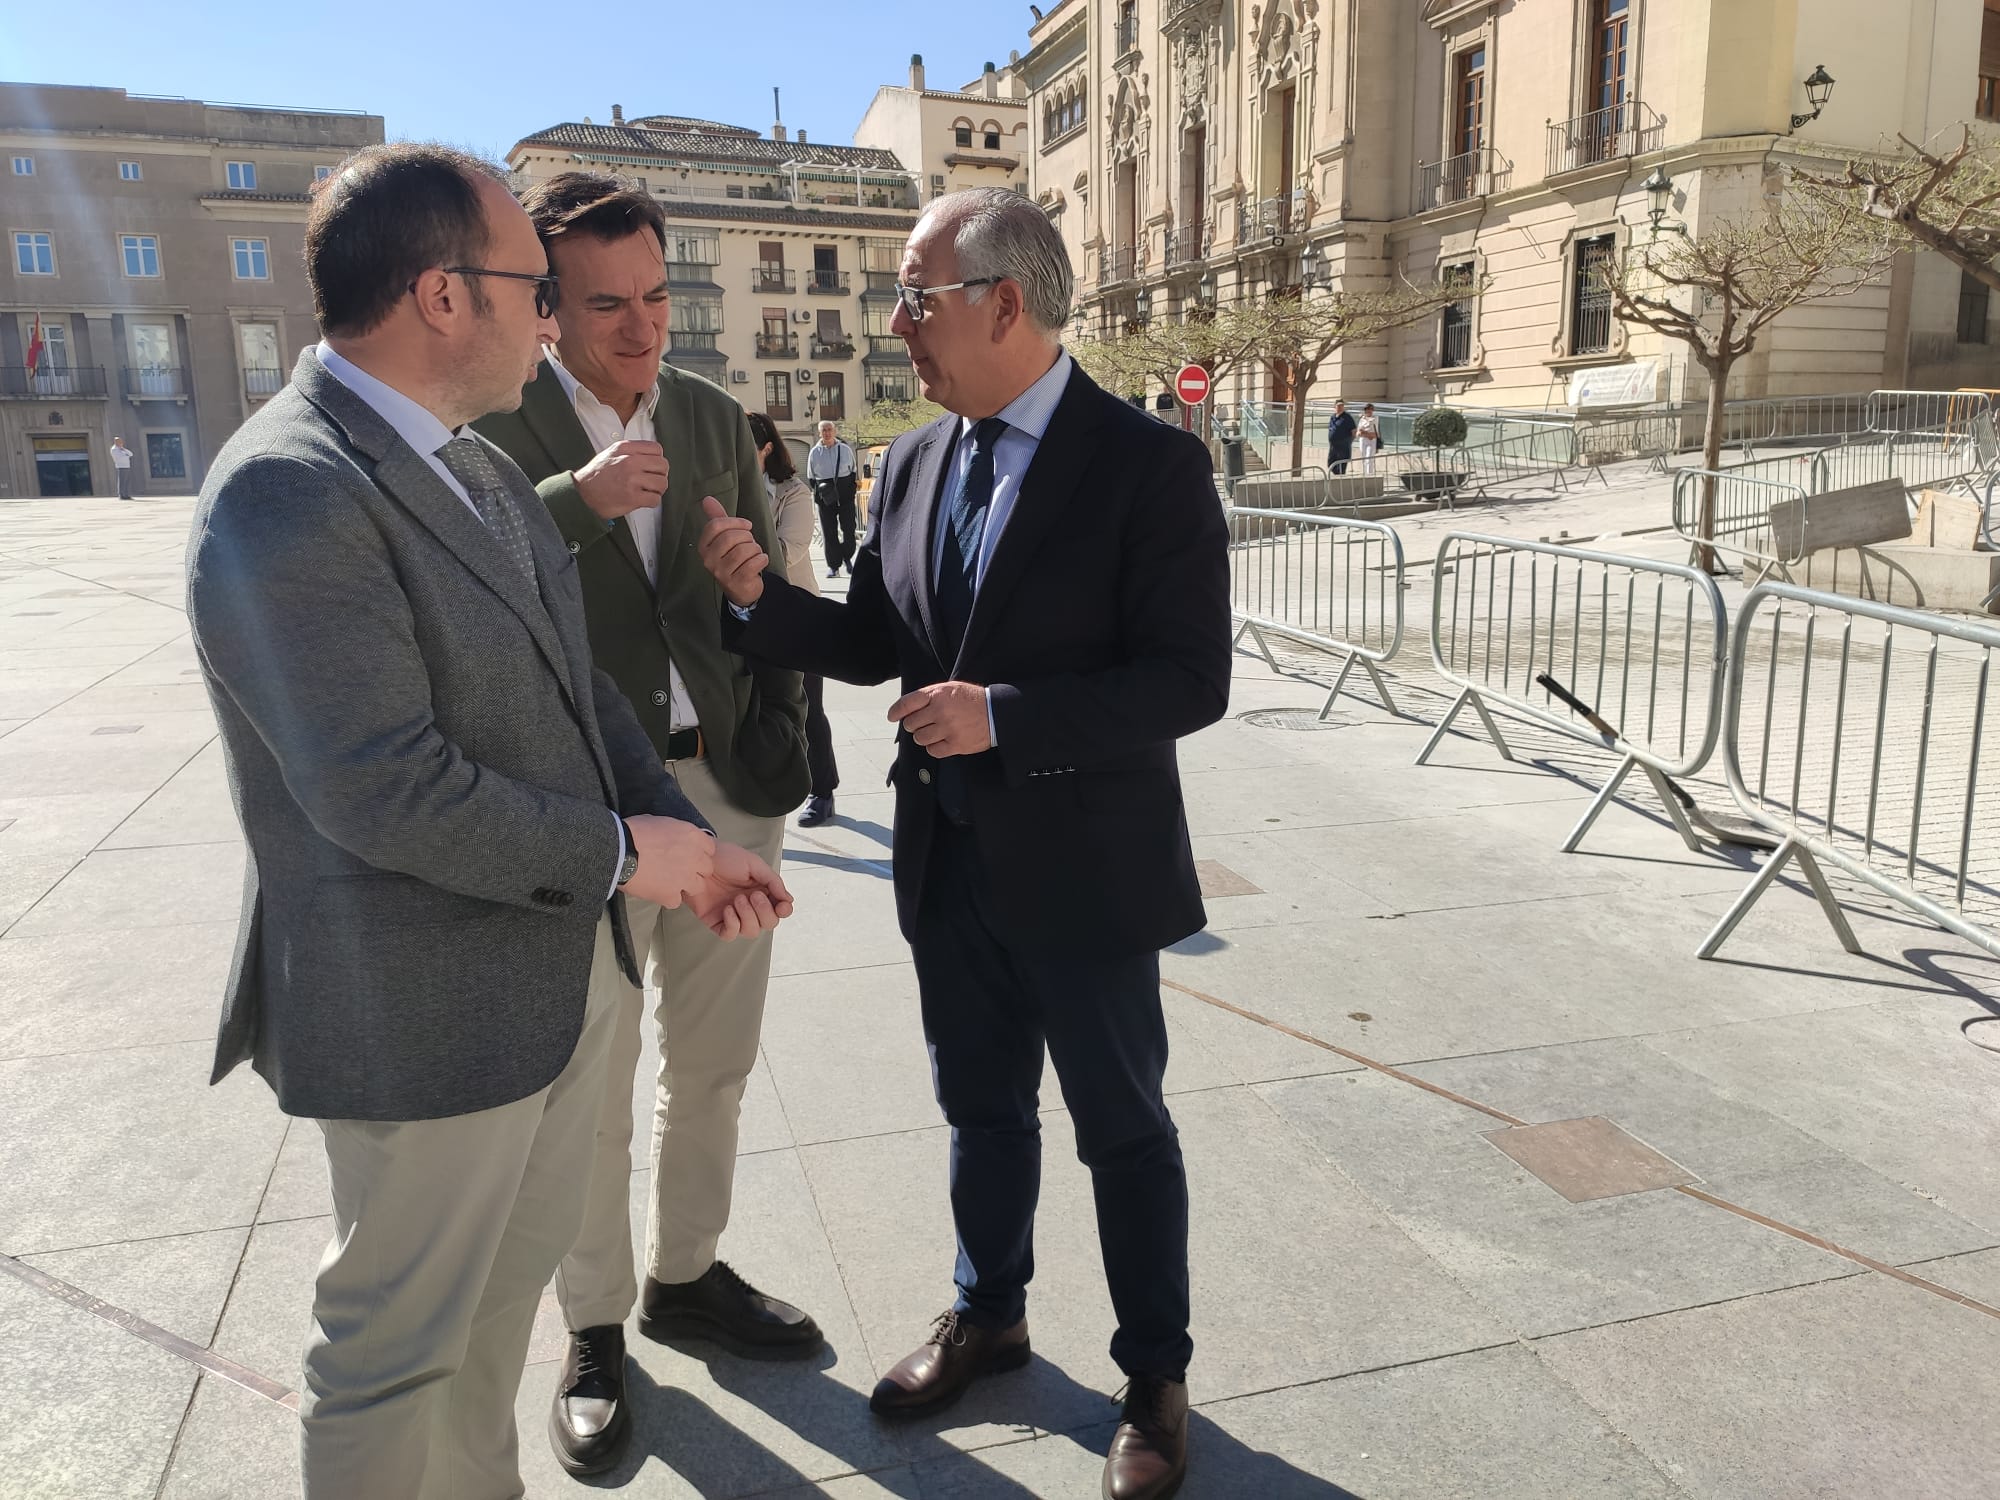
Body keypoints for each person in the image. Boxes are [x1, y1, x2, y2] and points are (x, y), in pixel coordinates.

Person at [183, 143, 792, 1499]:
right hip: (422, 1009)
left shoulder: (477, 473)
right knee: (394, 1357)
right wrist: (635, 851)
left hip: (551, 982)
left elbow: (587, 702)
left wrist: (678, 846)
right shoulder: (289, 487)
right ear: (442, 295)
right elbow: (377, 783)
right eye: (535, 287)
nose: (554, 320)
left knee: (491, 1328)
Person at [698, 186, 1229, 1500]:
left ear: (1003, 302)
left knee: (1122, 1129)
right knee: (979, 1112)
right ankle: (989, 1314)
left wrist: (1007, 718)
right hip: (950, 863)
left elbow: (1189, 681)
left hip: (1090, 875)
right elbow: (883, 638)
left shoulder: (1148, 465)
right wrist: (764, 604)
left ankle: (1153, 1376)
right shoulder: (921, 459)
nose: (897, 324)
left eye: (916, 295)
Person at [470, 171, 818, 1479]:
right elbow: (459, 592)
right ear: (546, 309)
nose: (642, 328)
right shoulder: (496, 431)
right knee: (591, 1085)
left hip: (724, 784)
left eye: (658, 296)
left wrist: (775, 705)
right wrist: (579, 501)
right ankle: (596, 1327)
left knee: (715, 1063)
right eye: (608, 303)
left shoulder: (719, 416)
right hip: (587, 807)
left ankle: (685, 1275)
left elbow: (766, 596)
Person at [748, 409, 841, 827]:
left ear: (766, 448)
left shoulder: (792, 492)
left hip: (794, 615)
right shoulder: (724, 486)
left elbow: (791, 550)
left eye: (743, 445)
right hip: (742, 616)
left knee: (807, 709)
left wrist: (733, 564)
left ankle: (823, 791)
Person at [805, 419, 858, 576]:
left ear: (834, 432)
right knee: (829, 532)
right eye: (824, 430)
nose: (827, 433)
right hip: (825, 495)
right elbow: (811, 477)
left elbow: (853, 471)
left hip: (845, 494)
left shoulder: (845, 450)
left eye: (829, 429)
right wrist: (819, 495)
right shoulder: (814, 453)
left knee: (849, 529)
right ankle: (833, 566)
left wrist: (850, 492)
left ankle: (847, 556)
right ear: (819, 433)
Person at [1326, 399, 1356, 474]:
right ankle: (1336, 477)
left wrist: (1348, 441)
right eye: (1338, 406)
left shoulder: (1347, 417)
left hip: (1343, 447)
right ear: (1335, 407)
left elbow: (1354, 431)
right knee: (1330, 464)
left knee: (1341, 466)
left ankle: (1340, 480)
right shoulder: (1333, 417)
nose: (1340, 407)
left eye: (1342, 406)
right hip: (1333, 446)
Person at [1355, 402, 1381, 475]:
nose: (1368, 411)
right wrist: (1364, 433)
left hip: (1371, 440)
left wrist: (1364, 432)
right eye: (1367, 409)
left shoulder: (1375, 418)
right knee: (1363, 457)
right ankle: (1365, 474)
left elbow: (1373, 433)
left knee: (1369, 457)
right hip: (1363, 440)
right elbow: (1358, 432)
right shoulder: (1362, 419)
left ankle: (1370, 474)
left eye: (1370, 409)